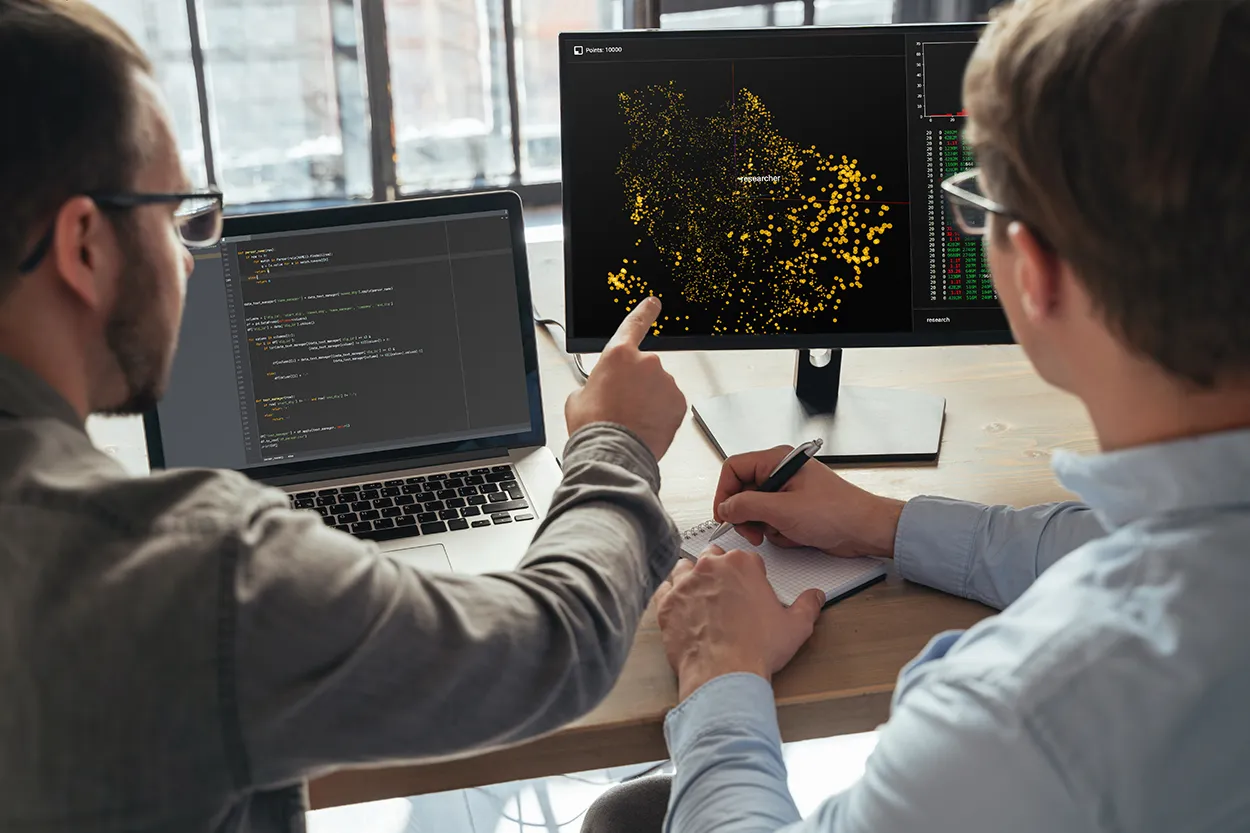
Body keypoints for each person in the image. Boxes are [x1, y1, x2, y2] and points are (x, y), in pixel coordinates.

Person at [0, 2, 688, 831]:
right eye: (173, 214)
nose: (187, 255)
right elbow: (552, 646)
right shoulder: (192, 568)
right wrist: (617, 440)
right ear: (85, 246)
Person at [585, 0, 1250, 830]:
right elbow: (1124, 541)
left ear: (1035, 270)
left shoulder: (1025, 713)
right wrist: (885, 524)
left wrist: (720, 676)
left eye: (980, 206)